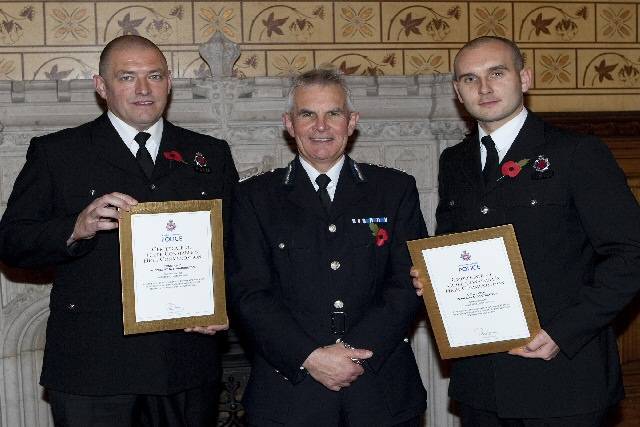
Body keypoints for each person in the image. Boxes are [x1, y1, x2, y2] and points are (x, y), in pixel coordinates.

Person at [0, 35, 238, 426]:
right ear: (101, 86)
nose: (143, 89)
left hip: (185, 362)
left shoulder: (209, 154)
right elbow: (11, 242)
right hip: (94, 367)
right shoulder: (58, 153)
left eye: (154, 76)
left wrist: (225, 305)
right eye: (127, 77)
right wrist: (75, 228)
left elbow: (237, 246)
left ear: (169, 81)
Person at [412, 36, 640, 426]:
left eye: (496, 73)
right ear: (457, 91)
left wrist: (562, 333)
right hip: (481, 384)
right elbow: (453, 245)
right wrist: (433, 278)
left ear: (525, 78)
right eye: (470, 79)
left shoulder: (577, 153)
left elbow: (631, 253)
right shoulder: (456, 161)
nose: (483, 88)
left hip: (563, 379)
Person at [227, 69, 428, 426]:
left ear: (352, 122)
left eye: (333, 113)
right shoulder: (254, 197)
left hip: (380, 390)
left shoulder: (393, 189)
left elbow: (409, 283)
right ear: (289, 123)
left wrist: (352, 353)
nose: (321, 126)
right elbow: (248, 293)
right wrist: (310, 356)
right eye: (307, 114)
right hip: (290, 394)